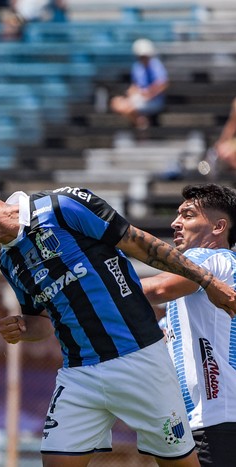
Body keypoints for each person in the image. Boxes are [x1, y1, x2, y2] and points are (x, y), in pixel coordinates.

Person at [0, 174, 236, 467]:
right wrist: (24, 328)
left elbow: (140, 244)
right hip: (79, 373)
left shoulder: (61, 206)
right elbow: (41, 322)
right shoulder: (9, 262)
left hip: (140, 359)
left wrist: (207, 281)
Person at [140, 184, 236, 466]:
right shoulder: (224, 270)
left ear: (219, 227)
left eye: (188, 215)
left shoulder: (206, 258)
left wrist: (84, 286)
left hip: (214, 418)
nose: (175, 222)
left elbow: (156, 290)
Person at [110, 38, 169, 130]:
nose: (143, 59)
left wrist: (149, 94)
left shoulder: (156, 65)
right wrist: (132, 93)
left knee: (128, 108)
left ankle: (141, 125)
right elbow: (135, 85)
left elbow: (162, 84)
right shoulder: (137, 67)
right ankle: (141, 122)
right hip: (140, 98)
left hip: (154, 101)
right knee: (116, 103)